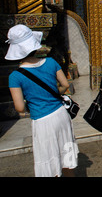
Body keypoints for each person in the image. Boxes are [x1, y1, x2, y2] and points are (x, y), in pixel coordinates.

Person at [6, 25, 78, 177]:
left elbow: (19, 107)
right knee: (67, 160)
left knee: (49, 162)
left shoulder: (15, 76)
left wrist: (34, 102)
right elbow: (65, 85)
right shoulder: (51, 62)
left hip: (42, 121)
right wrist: (52, 96)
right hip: (61, 115)